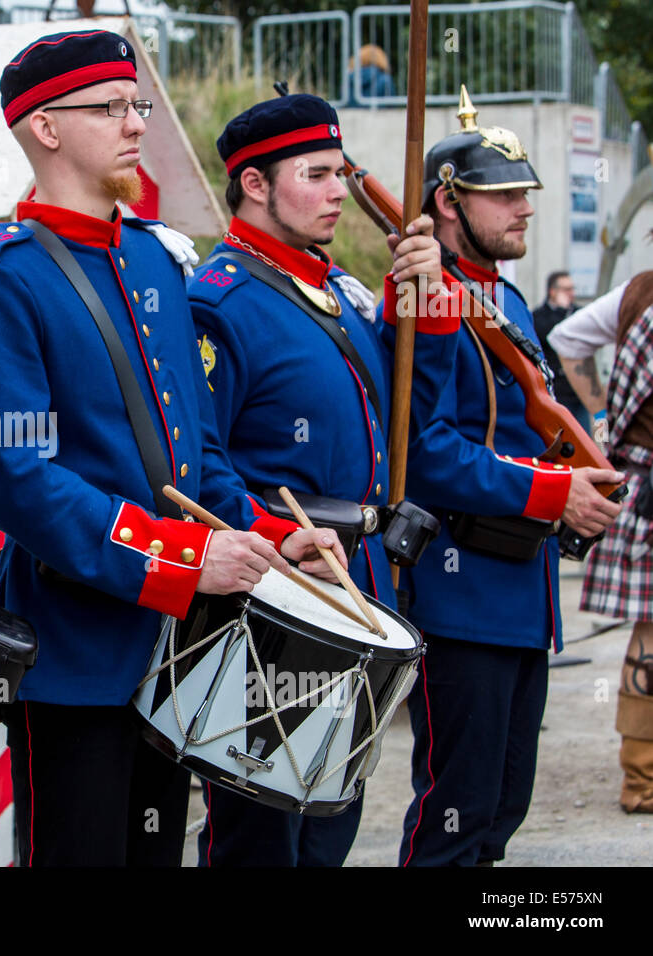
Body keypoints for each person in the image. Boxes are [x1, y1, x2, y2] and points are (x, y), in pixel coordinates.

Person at [0, 29, 346, 867]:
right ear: (45, 128)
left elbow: (194, 449)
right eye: (111, 108)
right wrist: (180, 559)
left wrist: (266, 537)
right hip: (78, 651)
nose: (136, 124)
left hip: (178, 644)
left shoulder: (153, 259)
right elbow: (14, 476)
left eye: (138, 106)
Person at [188, 93, 459, 867]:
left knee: (332, 820)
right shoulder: (220, 303)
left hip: (361, 586)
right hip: (278, 600)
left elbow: (406, 422)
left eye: (341, 172)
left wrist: (426, 310)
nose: (340, 190)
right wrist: (273, 543)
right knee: (264, 833)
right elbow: (204, 468)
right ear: (254, 185)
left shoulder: (339, 293)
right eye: (317, 174)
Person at [396, 93, 623, 865]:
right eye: (503, 193)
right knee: (453, 821)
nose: (524, 208)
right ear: (447, 204)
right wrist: (553, 492)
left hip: (522, 594)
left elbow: (537, 420)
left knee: (500, 814)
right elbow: (424, 452)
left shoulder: (507, 298)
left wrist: (587, 473)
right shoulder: (424, 298)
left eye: (525, 192)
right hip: (459, 594)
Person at [548, 269, 653, 813]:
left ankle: (643, 776)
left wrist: (603, 418)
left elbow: (568, 339)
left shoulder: (639, 290)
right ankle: (643, 779)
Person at [532, 270, 589, 434]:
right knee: (564, 441)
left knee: (588, 440)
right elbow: (551, 334)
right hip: (558, 394)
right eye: (566, 289)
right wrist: (561, 312)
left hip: (580, 392)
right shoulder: (538, 316)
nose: (572, 294)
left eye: (572, 289)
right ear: (552, 292)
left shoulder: (578, 313)